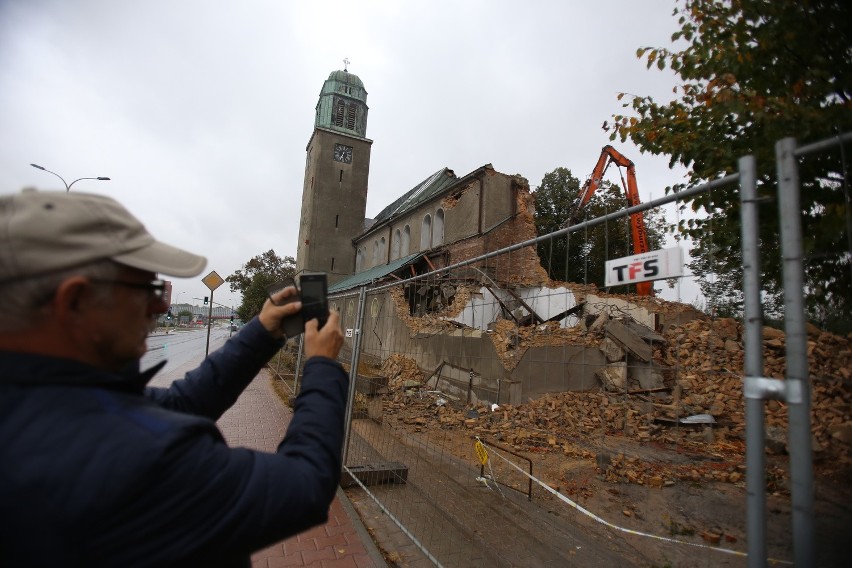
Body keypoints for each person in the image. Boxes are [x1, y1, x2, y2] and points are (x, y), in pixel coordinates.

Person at [0, 189, 348, 566]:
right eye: (147, 289)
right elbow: (305, 485)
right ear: (76, 302)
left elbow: (179, 405)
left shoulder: (53, 402)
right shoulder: (142, 458)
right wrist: (322, 366)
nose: (162, 305)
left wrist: (263, 331)